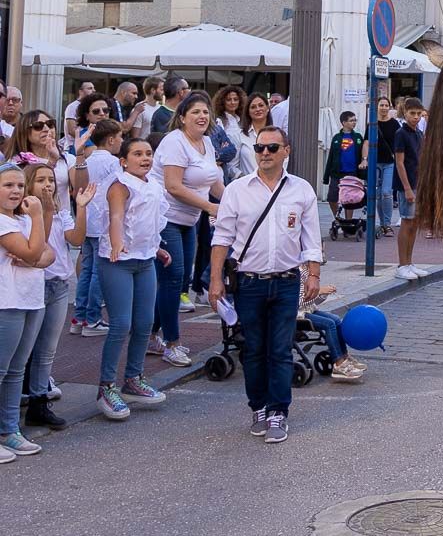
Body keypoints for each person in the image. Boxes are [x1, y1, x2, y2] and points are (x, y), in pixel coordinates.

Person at [209, 127, 322, 444]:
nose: (265, 153)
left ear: (286, 150)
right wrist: (216, 279)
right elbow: (222, 239)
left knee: (281, 350)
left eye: (272, 147)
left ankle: (278, 413)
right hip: (249, 282)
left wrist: (313, 274)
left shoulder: (301, 190)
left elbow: (311, 238)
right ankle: (258, 406)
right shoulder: (237, 190)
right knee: (253, 349)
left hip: (286, 281)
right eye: (259, 147)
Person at [96, 139, 171, 420]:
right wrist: (116, 243)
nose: (144, 158)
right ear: (124, 160)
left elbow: (148, 223)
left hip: (145, 260)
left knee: (144, 322)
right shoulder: (120, 184)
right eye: (137, 154)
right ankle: (106, 387)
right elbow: (117, 218)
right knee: (121, 323)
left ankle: (133, 379)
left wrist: (158, 247)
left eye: (148, 154)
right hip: (117, 261)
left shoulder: (153, 184)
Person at [148, 91, 224, 366]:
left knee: (178, 280)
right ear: (181, 118)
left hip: (189, 220)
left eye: (205, 112)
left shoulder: (206, 142)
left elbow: (214, 182)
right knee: (173, 277)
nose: (202, 116)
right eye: (195, 112)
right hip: (165, 217)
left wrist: (232, 203)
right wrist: (210, 207)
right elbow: (173, 185)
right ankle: (172, 343)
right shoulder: (174, 142)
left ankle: (149, 335)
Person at [21, 164, 94, 430]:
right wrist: (47, 211)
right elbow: (37, 243)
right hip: (35, 285)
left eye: (50, 180)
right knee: (24, 350)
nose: (48, 185)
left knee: (47, 350)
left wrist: (81, 206)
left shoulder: (61, 211)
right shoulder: (26, 214)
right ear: (28, 184)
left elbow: (76, 238)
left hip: (60, 285)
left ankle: (40, 402)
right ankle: (19, 401)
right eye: (40, 180)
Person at [0, 162, 48, 460]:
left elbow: (47, 253)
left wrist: (37, 256)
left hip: (32, 299)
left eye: (20, 185)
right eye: (8, 185)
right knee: (2, 369)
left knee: (17, 371)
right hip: (7, 301)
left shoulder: (24, 219)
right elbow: (32, 251)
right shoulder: (5, 222)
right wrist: (39, 215)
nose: (16, 191)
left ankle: (8, 429)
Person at [72, 119, 125, 337]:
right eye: (121, 137)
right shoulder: (112, 163)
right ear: (111, 139)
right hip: (101, 221)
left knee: (86, 270)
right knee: (97, 271)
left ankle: (79, 317)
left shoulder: (88, 159)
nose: (122, 141)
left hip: (86, 219)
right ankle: (92, 318)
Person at [298, 263, 365, 381]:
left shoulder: (307, 270)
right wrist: (319, 291)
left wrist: (323, 294)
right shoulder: (296, 271)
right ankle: (338, 363)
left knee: (336, 320)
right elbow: (297, 301)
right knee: (329, 324)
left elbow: (312, 301)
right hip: (297, 313)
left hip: (309, 309)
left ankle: (344, 356)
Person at [394, 98, 428, 280]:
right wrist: (407, 188)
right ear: (405, 113)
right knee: (407, 222)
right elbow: (399, 163)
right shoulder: (401, 133)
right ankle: (402, 264)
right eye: (412, 113)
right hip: (406, 185)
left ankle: (409, 262)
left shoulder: (419, 134)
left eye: (418, 113)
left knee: (414, 224)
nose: (415, 117)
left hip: (418, 183)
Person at [323, 111, 367, 220]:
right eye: (351, 120)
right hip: (337, 173)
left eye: (355, 120)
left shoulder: (357, 137)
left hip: (352, 172)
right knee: (332, 197)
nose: (354, 122)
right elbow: (331, 157)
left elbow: (363, 153)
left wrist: (363, 164)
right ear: (344, 122)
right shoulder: (337, 138)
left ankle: (348, 221)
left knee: (349, 198)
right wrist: (326, 177)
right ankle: (337, 217)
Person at [373, 96, 399, 236]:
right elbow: (366, 142)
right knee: (378, 194)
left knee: (386, 192)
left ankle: (387, 224)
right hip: (375, 163)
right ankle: (382, 224)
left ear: (389, 107)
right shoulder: (372, 123)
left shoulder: (395, 124)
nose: (383, 108)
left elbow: (400, 143)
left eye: (386, 105)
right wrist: (365, 159)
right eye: (381, 105)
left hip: (389, 162)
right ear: (377, 107)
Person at [212, 86, 250, 179]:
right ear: (222, 102)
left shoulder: (243, 121)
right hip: (227, 171)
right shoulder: (219, 122)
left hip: (244, 168)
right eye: (228, 100)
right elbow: (220, 149)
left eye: (235, 99)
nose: (232, 102)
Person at [149, 75, 190, 148]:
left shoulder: (184, 112)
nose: (190, 91)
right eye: (188, 88)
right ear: (181, 92)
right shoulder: (160, 115)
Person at [136, 77, 164, 141]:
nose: (164, 92)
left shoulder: (161, 108)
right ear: (153, 90)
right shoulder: (140, 108)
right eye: (162, 90)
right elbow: (135, 137)